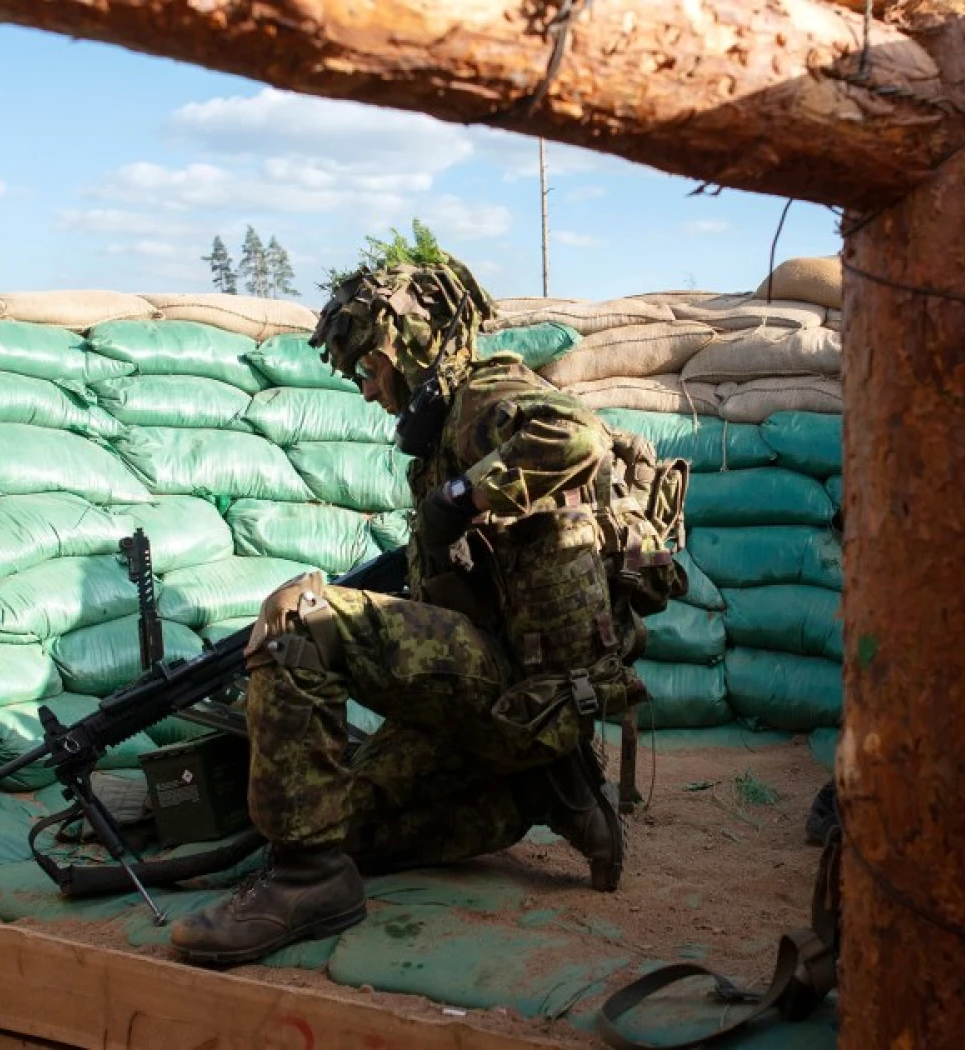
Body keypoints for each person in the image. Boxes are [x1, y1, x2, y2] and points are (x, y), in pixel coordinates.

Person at [169, 244, 646, 967]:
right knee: (345, 825)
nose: (367, 390)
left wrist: (458, 498)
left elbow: (574, 434)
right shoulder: (443, 436)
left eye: (370, 367)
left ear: (410, 347)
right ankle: (540, 789)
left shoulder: (484, 395)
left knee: (300, 620)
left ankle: (306, 880)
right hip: (512, 695)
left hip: (517, 687)